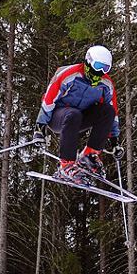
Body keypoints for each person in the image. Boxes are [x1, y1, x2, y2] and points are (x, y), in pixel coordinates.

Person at [33, 45, 124, 186]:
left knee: (108, 110)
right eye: (98, 66)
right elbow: (49, 100)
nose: (101, 71)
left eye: (105, 68)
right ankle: (66, 165)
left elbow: (113, 112)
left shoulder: (106, 84)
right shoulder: (69, 74)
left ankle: (89, 155)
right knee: (73, 114)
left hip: (80, 118)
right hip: (58, 117)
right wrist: (40, 128)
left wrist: (115, 142)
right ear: (88, 61)